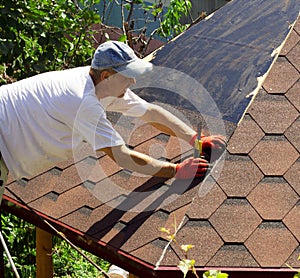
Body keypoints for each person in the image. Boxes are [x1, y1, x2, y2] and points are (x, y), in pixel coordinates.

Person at [0, 41, 226, 199]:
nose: (134, 82)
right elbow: (122, 156)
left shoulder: (101, 83)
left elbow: (150, 112)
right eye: (128, 76)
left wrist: (195, 139)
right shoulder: (83, 102)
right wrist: (176, 170)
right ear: (107, 76)